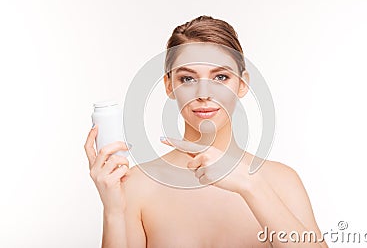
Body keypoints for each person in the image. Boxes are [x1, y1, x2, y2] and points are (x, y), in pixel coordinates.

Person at [84, 15, 328, 248]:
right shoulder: (136, 184)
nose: (203, 93)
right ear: (169, 86)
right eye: (188, 79)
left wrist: (252, 186)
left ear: (242, 84)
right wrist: (113, 212)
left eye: (220, 77)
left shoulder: (281, 181)